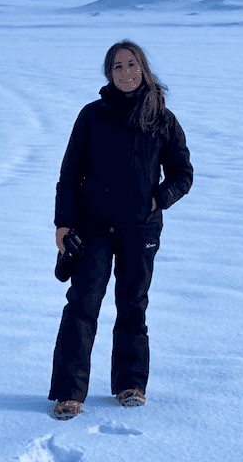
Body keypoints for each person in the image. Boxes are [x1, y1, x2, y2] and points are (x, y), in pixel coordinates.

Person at [49, 40, 193, 419]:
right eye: (117, 67)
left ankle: (131, 384)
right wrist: (63, 222)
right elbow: (69, 174)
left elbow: (182, 173)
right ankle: (69, 393)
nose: (125, 73)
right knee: (82, 306)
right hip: (92, 226)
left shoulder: (161, 118)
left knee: (132, 306)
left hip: (140, 229)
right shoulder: (92, 116)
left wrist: (157, 199)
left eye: (132, 65)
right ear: (107, 73)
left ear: (143, 69)